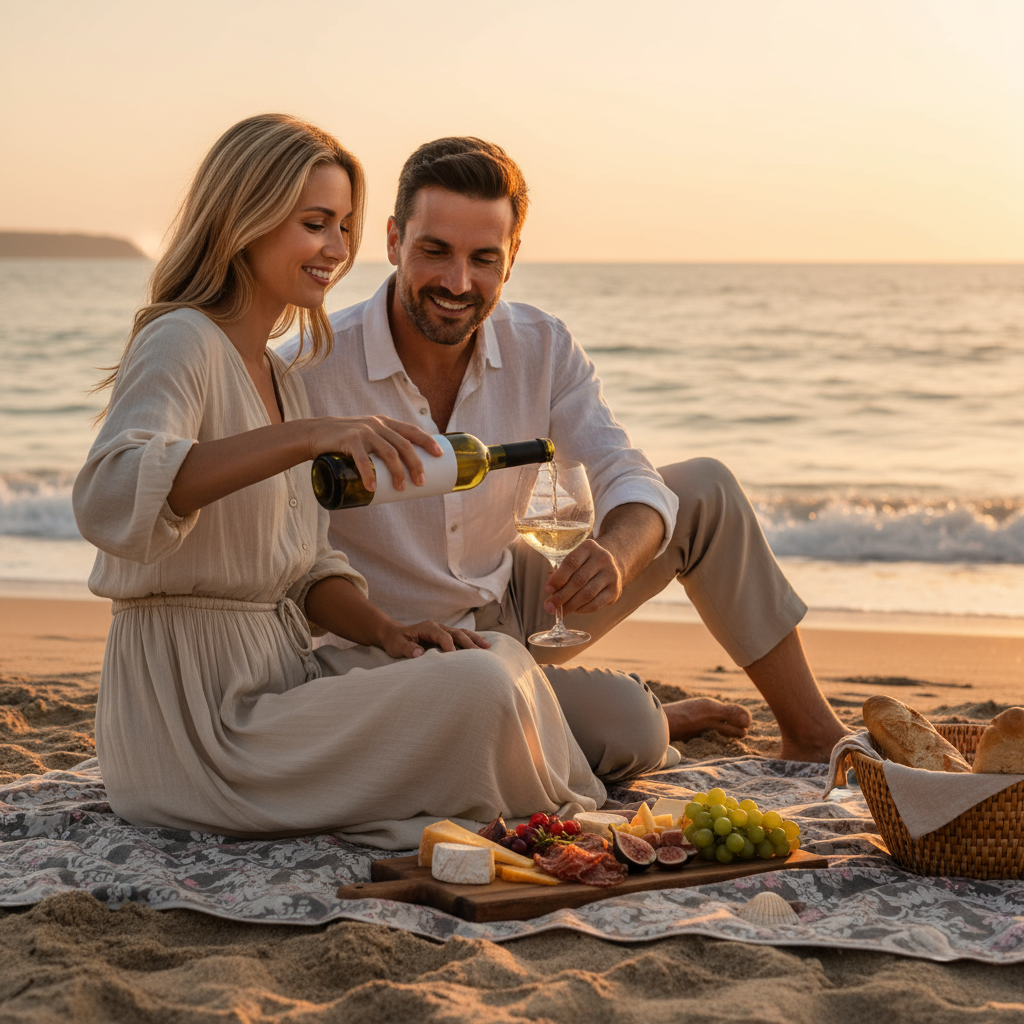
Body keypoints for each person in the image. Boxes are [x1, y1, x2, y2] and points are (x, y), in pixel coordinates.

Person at [72, 115, 608, 851]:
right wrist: (309, 436)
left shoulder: (282, 376)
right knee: (481, 692)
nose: (338, 250)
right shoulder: (183, 339)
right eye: (315, 223)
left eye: (346, 226)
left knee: (491, 659)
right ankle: (558, 825)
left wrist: (388, 633)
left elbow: (305, 569)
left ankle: (556, 803)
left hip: (279, 680)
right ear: (244, 221)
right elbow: (110, 492)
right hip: (192, 719)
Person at [279, 136, 850, 769]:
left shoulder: (540, 344)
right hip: (391, 648)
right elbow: (288, 563)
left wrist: (616, 554)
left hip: (518, 600)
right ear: (392, 240)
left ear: (513, 256)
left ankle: (814, 733)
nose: (456, 282)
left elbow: (622, 470)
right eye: (434, 251)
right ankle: (644, 716)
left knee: (705, 490)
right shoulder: (307, 369)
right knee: (632, 729)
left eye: (484, 258)